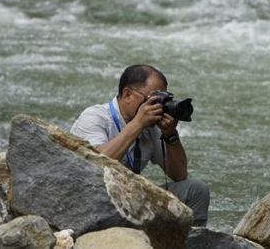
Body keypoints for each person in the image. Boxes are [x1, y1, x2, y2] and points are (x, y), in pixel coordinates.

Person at [70, 64, 209, 226]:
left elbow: (179, 175)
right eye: (152, 100)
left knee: (196, 190)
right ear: (127, 94)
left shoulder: (150, 127)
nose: (157, 107)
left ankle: (194, 241)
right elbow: (95, 166)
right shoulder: (95, 117)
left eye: (162, 100)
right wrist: (138, 123)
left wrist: (170, 135)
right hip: (91, 202)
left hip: (131, 199)